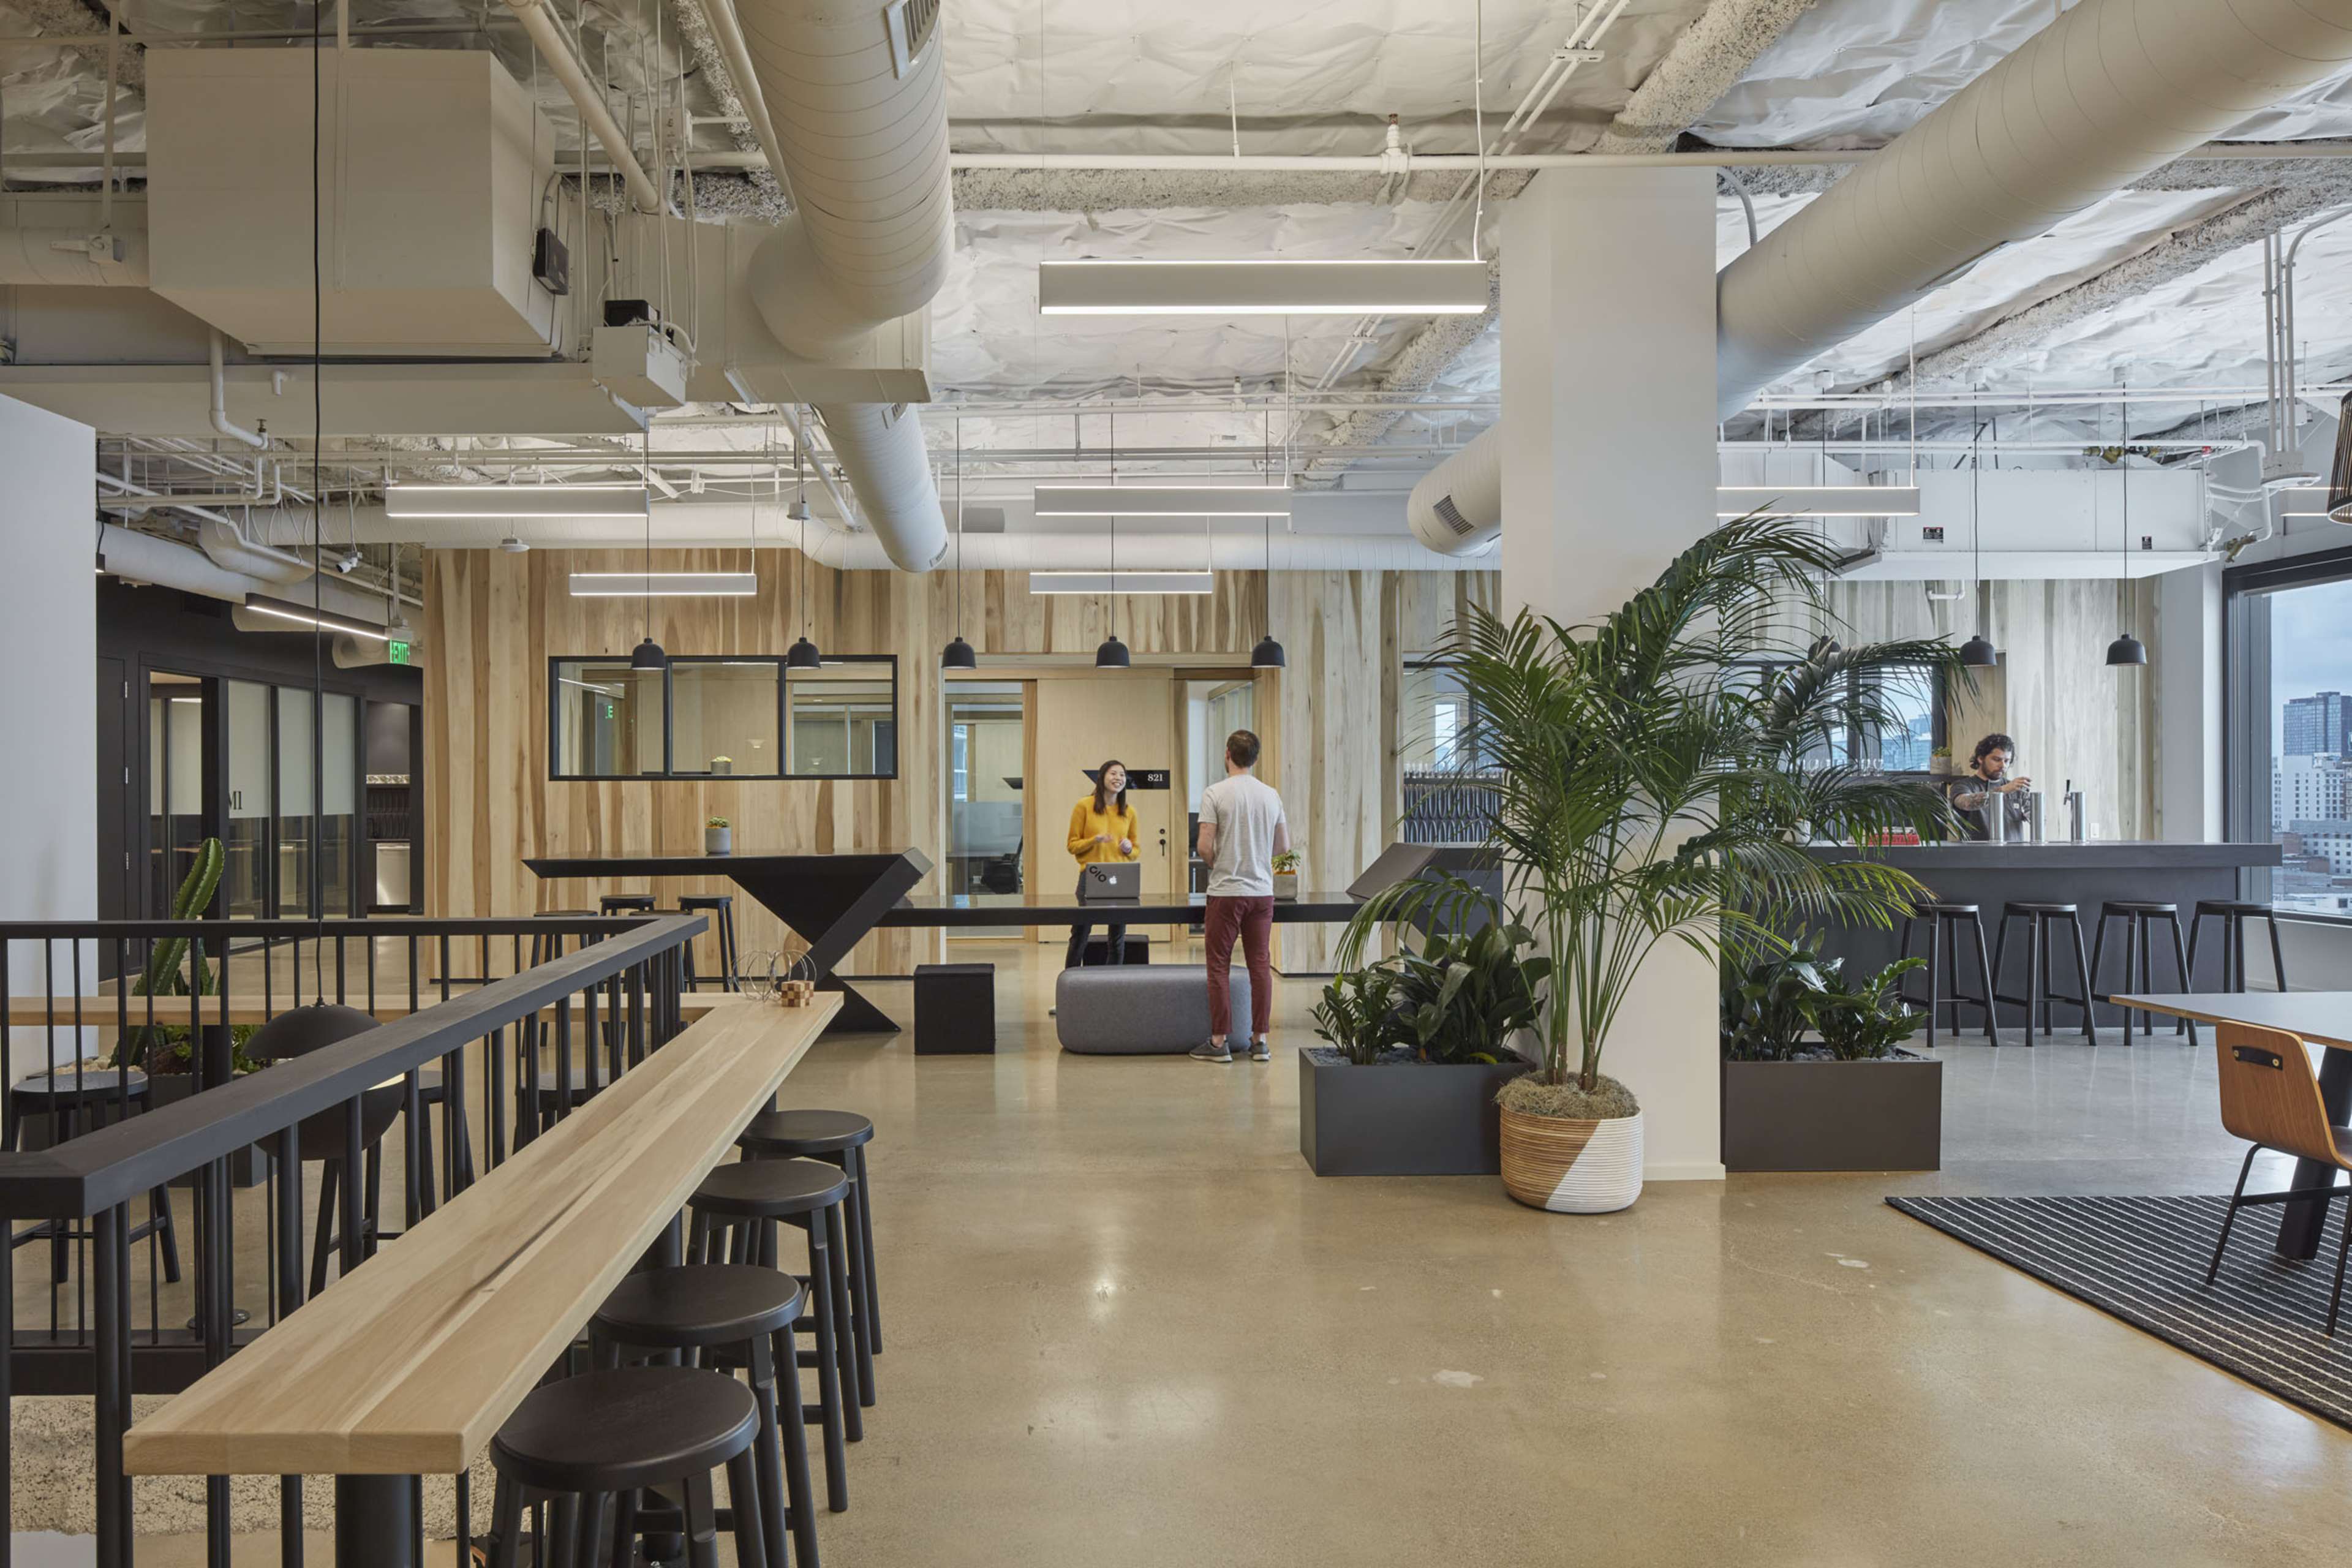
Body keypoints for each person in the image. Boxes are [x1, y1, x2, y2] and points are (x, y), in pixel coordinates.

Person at [1190, 728, 1289, 1065]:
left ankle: (1220, 1043)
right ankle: (1260, 1041)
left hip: (1227, 892)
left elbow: (1204, 845)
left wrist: (1222, 863)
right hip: (1262, 892)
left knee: (1218, 965)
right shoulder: (1271, 795)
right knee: (1260, 965)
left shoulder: (1215, 792)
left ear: (1228, 755)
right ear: (1256, 759)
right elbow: (1283, 847)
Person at [1063, 759, 1140, 968]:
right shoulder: (1084, 806)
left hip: (1119, 877)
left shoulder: (1129, 811)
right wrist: (1093, 841)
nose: (1118, 778)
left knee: (1117, 937)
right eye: (1113, 774)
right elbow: (1072, 845)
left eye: (1122, 775)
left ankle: (1113, 985)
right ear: (1102, 777)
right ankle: (1071, 984)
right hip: (1091, 876)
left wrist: (1128, 849)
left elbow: (1136, 850)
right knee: (1080, 934)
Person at [1947, 733, 2032, 841]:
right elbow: (1965, 803)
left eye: (2007, 761)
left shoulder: (2016, 788)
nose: (2003, 766)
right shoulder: (1963, 786)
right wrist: (2002, 790)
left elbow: (2037, 818)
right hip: (1977, 855)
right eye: (1997, 760)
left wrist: (2032, 814)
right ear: (1981, 759)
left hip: (2013, 855)